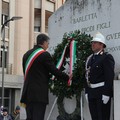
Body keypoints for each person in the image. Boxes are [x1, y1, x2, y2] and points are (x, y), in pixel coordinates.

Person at [20, 33, 70, 120]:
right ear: (44, 42)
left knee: (30, 117)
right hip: (39, 94)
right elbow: (54, 70)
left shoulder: (26, 55)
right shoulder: (44, 55)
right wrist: (67, 77)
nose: (48, 45)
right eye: (48, 43)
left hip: (28, 92)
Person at [85, 32, 115, 120]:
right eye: (92, 42)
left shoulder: (106, 57)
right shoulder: (89, 59)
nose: (92, 44)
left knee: (103, 117)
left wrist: (106, 94)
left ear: (101, 44)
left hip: (101, 93)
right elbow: (86, 76)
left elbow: (109, 77)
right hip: (91, 93)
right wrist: (87, 91)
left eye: (95, 42)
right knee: (94, 117)